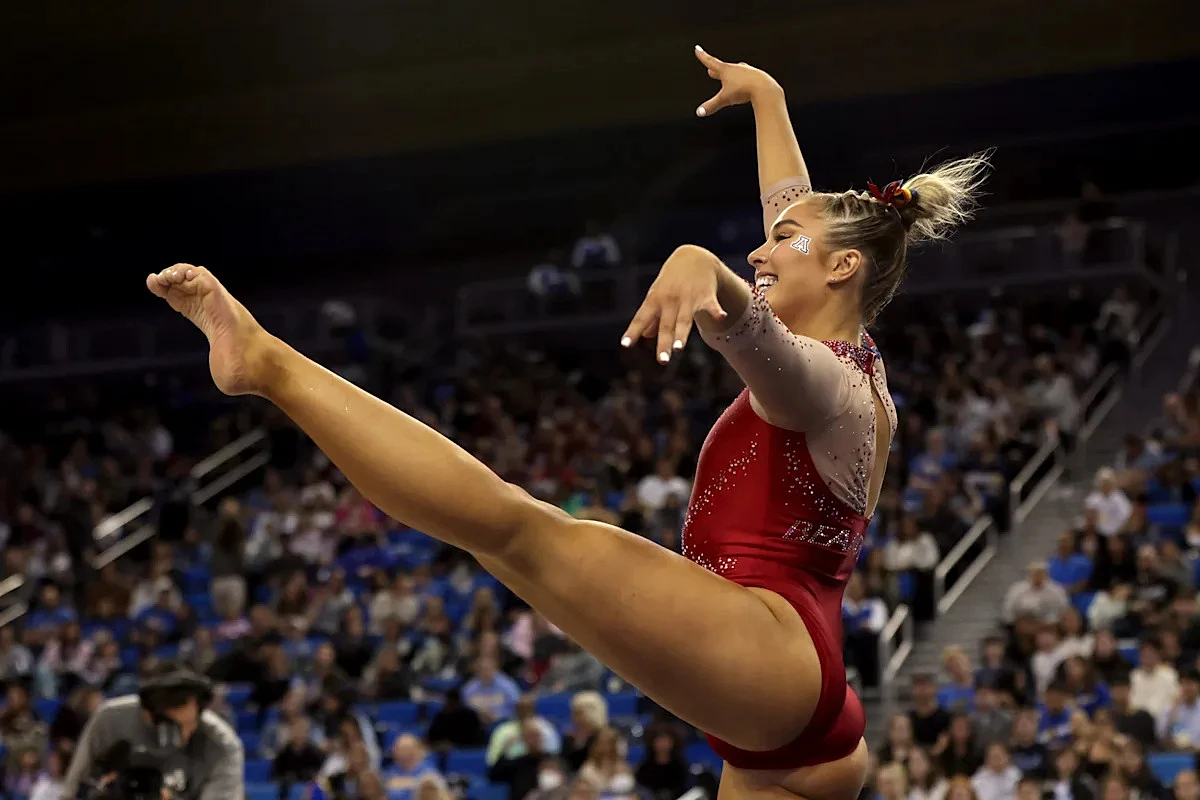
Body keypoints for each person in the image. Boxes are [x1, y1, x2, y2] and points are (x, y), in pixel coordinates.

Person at [144, 45, 988, 800]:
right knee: (497, 536)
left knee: (511, 529)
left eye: (783, 239)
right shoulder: (852, 350)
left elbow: (763, 341)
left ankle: (268, 365)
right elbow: (792, 210)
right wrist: (767, 98)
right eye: (765, 239)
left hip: (774, 658)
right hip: (786, 703)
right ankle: (267, 366)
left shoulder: (836, 388)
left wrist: (707, 270)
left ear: (843, 268)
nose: (762, 248)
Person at [60, 663, 243, 800]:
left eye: (192, 723)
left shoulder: (222, 743)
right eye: (173, 726)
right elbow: (72, 791)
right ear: (147, 713)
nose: (184, 736)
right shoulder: (110, 721)